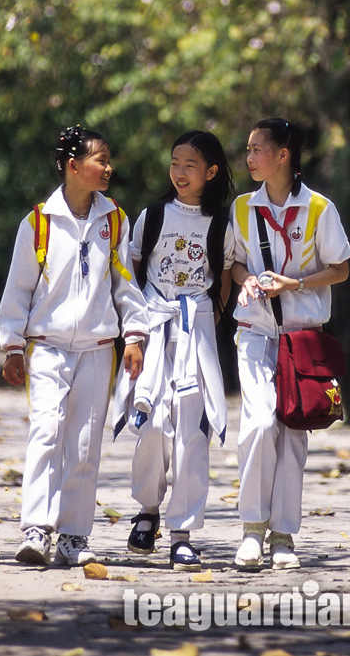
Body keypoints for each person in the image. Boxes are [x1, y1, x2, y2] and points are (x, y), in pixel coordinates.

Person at [0, 125, 148, 567]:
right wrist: (12, 346)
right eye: (101, 160)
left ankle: (74, 536)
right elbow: (18, 288)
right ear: (73, 166)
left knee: (84, 443)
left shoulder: (114, 220)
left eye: (108, 160)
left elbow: (125, 284)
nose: (108, 168)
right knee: (46, 431)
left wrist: (134, 335)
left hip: (98, 349)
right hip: (46, 347)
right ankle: (36, 529)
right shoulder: (39, 222)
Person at [230, 117, 350, 570]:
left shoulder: (320, 208)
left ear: (282, 155)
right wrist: (245, 281)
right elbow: (234, 263)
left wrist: (295, 284)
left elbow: (340, 268)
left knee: (293, 432)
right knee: (259, 424)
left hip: (302, 338)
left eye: (256, 148)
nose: (249, 157)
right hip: (255, 333)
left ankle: (283, 537)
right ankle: (251, 530)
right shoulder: (243, 207)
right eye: (248, 149)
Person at [113, 130, 234, 571]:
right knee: (151, 423)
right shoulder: (152, 216)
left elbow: (224, 278)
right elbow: (133, 271)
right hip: (153, 327)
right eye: (174, 163)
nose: (179, 172)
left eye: (190, 165)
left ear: (211, 172)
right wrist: (136, 331)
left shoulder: (221, 225)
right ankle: (147, 512)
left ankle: (182, 532)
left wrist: (207, 318)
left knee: (191, 432)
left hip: (195, 332)